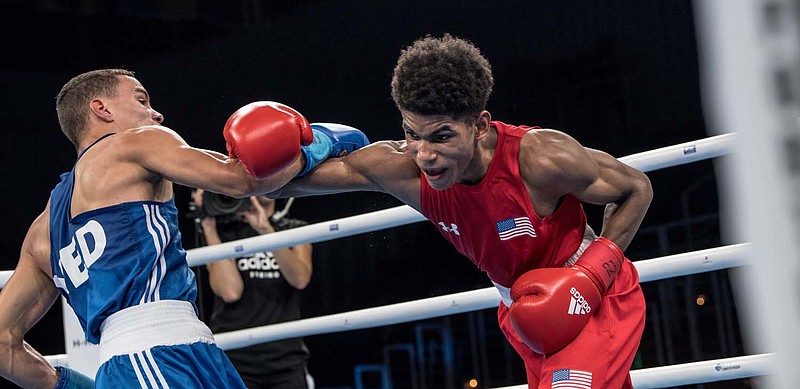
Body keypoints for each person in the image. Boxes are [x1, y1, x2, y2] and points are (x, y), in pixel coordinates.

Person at [259, 34, 653, 388]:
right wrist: (313, 147)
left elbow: (636, 188)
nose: (425, 154)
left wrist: (591, 274)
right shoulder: (401, 168)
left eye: (442, 136)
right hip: (522, 314)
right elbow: (269, 182)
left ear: (480, 125)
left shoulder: (539, 157)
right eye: (412, 134)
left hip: (594, 300)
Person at [0, 69, 367, 389]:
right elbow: (241, 180)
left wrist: (73, 386)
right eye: (142, 100)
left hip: (161, 356)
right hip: (162, 355)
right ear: (102, 108)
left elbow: (2, 342)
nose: (155, 113)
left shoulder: (42, 230)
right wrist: (319, 142)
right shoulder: (135, 141)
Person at [194, 190, 315, 389]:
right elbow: (230, 292)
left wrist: (266, 231)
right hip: (235, 357)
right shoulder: (225, 231)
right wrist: (208, 226)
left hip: (286, 358)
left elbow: (300, 279)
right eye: (262, 178)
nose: (267, 184)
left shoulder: (295, 230)